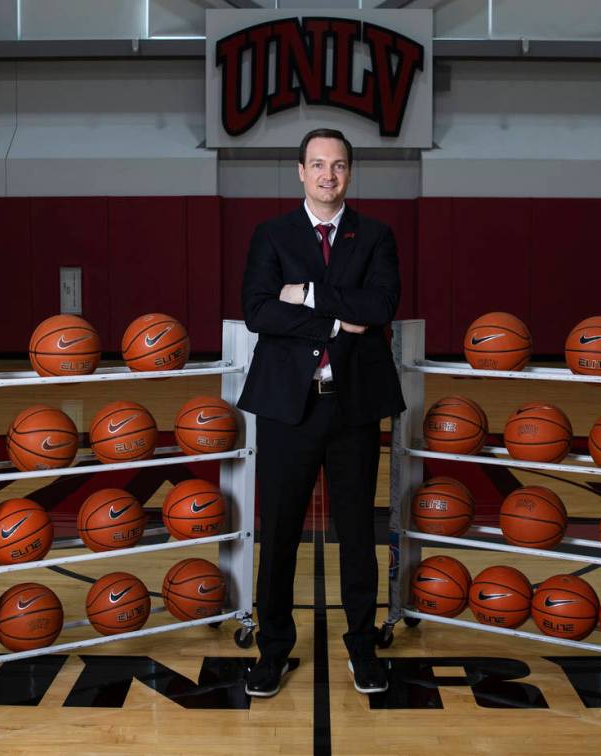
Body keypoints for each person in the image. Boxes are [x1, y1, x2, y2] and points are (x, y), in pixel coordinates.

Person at [238, 128, 406, 697]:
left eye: (337, 165)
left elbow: (380, 306)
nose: (327, 174)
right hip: (288, 406)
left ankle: (362, 648)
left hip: (353, 406)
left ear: (349, 174)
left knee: (357, 533)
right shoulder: (272, 234)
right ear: (300, 172)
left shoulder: (376, 235)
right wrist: (337, 319)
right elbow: (258, 310)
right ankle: (273, 651)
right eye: (317, 164)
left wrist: (305, 294)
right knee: (279, 533)